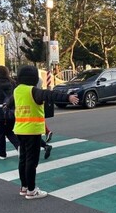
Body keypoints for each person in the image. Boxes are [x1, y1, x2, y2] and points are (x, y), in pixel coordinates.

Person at [6, 65, 78, 200]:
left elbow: (10, 102)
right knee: (31, 162)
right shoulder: (33, 91)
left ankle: (24, 187)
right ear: (33, 78)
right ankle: (32, 191)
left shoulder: (17, 90)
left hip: (19, 130)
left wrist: (6, 105)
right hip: (32, 130)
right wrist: (68, 97)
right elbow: (50, 95)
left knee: (22, 159)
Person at [0, 65, 20, 159]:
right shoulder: (13, 83)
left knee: (1, 134)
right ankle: (19, 146)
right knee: (10, 131)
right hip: (11, 112)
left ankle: (2, 154)